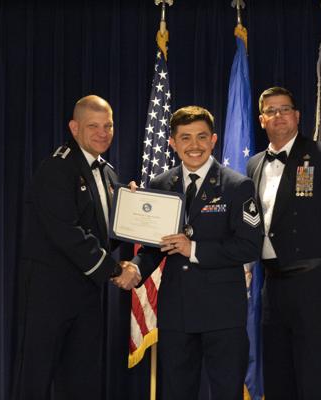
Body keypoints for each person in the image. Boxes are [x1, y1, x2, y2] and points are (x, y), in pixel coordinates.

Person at [127, 106, 263, 400]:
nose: (194, 145)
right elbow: (154, 246)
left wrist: (195, 249)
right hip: (177, 311)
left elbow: (250, 245)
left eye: (202, 137)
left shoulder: (237, 186)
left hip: (222, 313)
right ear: (172, 143)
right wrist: (135, 269)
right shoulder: (161, 184)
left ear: (213, 140)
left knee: (227, 393)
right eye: (185, 138)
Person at [11, 95, 141, 400]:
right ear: (74, 128)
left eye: (108, 126)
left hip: (87, 294)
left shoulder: (108, 172)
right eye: (93, 126)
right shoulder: (57, 168)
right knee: (36, 379)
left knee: (82, 381)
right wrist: (114, 269)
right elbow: (66, 233)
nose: (102, 133)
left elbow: (106, 236)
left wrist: (133, 212)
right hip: (49, 293)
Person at [246, 86, 321, 399]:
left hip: (313, 282)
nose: (279, 116)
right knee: (278, 375)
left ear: (297, 115)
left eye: (285, 109)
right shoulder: (254, 164)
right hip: (272, 283)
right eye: (271, 111)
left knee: (313, 377)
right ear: (261, 120)